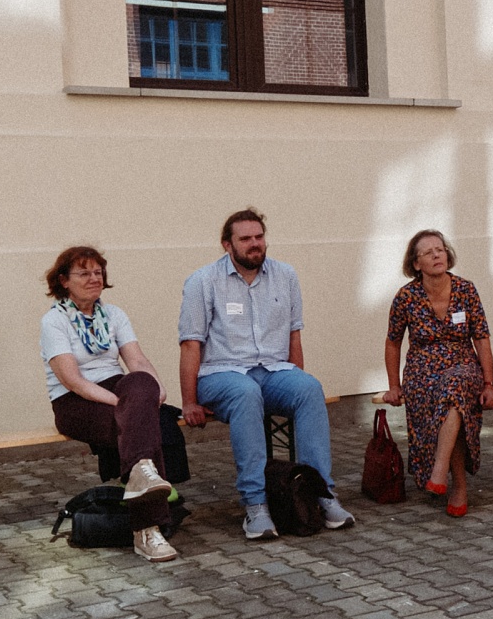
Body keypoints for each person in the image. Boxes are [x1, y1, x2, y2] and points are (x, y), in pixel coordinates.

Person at [179, 207, 354, 541]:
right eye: (245, 239)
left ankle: (321, 494)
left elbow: (293, 336)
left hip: (273, 371)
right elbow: (190, 344)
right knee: (245, 392)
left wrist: (296, 382)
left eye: (259, 237)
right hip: (221, 374)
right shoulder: (203, 281)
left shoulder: (285, 275)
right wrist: (189, 401)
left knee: (309, 388)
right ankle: (256, 505)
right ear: (227, 245)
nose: (255, 244)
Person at [41, 244, 179, 563]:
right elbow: (73, 380)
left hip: (118, 388)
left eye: (98, 272)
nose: (94, 278)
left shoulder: (114, 315)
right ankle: (147, 531)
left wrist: (155, 388)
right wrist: (125, 404)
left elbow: (136, 360)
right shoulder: (54, 322)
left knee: (142, 383)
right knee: (140, 423)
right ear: (63, 280)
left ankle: (142, 475)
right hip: (75, 402)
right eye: (84, 273)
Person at [379, 230, 493, 517]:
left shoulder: (466, 290)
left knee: (455, 386)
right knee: (451, 400)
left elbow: (482, 338)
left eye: (440, 250)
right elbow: (393, 342)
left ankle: (440, 469)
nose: (436, 255)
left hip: (463, 364)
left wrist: (489, 383)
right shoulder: (406, 297)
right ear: (416, 263)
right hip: (422, 369)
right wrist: (394, 386)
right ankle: (458, 487)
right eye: (428, 252)